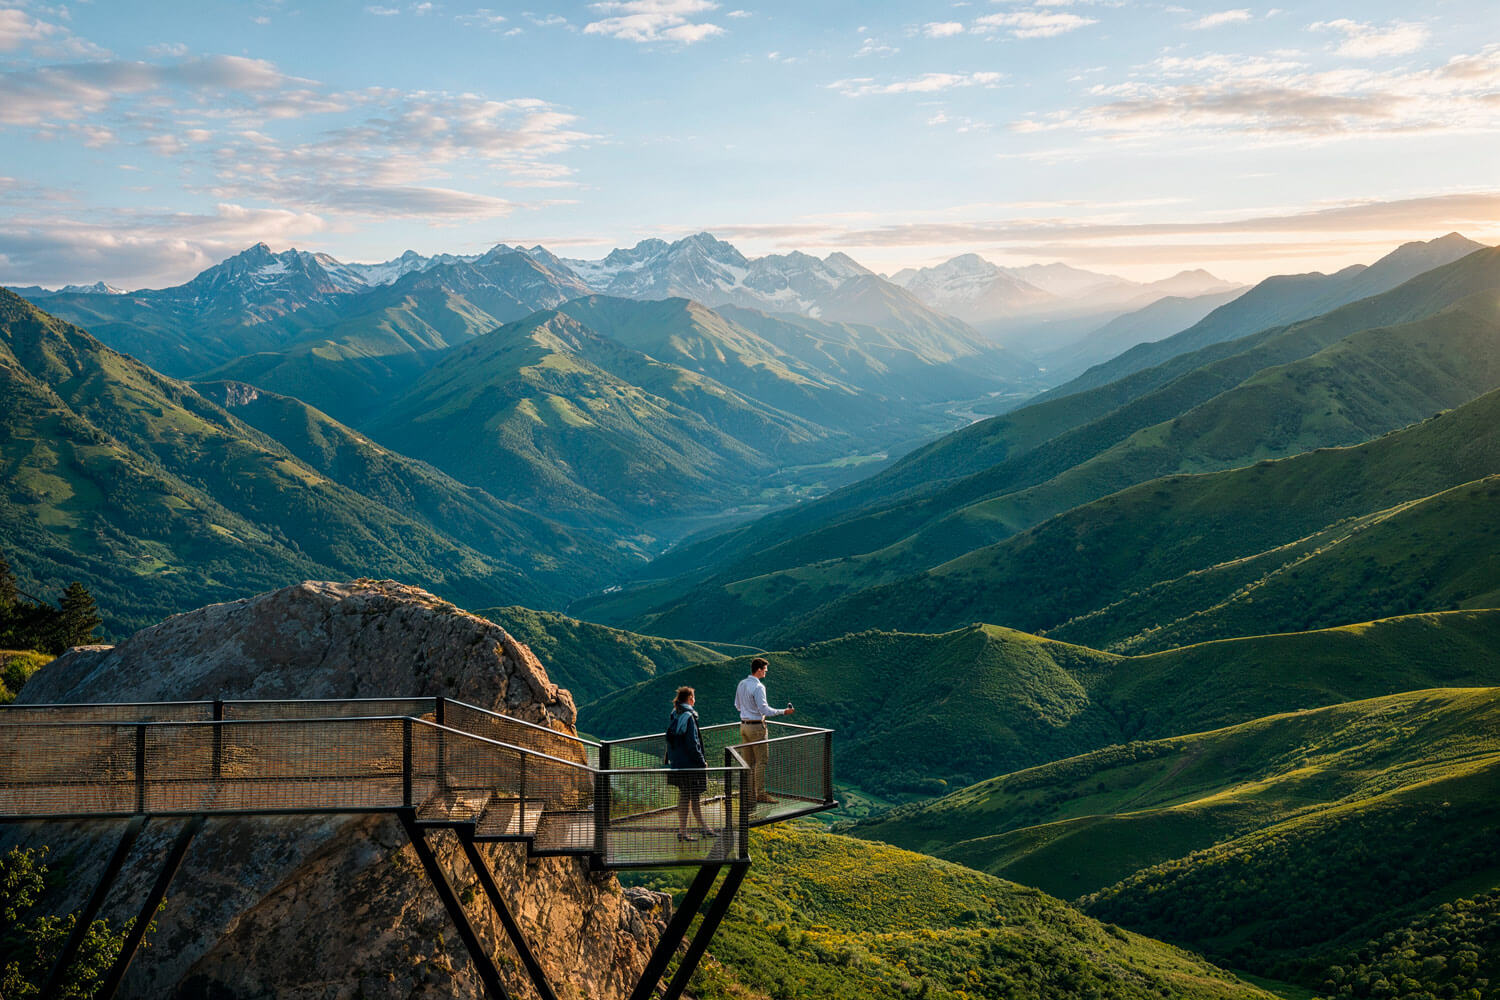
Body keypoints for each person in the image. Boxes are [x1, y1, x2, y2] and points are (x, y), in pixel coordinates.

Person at [734, 657, 794, 805]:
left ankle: (748, 794)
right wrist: (783, 712)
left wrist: (748, 711)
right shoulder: (759, 687)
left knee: (748, 762)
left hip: (744, 726)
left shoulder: (742, 684)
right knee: (761, 761)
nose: (766, 673)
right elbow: (764, 709)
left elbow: (737, 705)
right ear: (759, 670)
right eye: (765, 670)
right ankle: (760, 794)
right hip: (756, 727)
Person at [665, 686, 712, 842]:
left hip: (677, 763)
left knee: (688, 795)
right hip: (690, 764)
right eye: (694, 697)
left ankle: (702, 828)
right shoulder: (689, 717)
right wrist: (702, 761)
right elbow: (693, 744)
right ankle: (684, 832)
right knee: (690, 796)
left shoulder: (675, 714)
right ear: (690, 698)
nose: (695, 700)